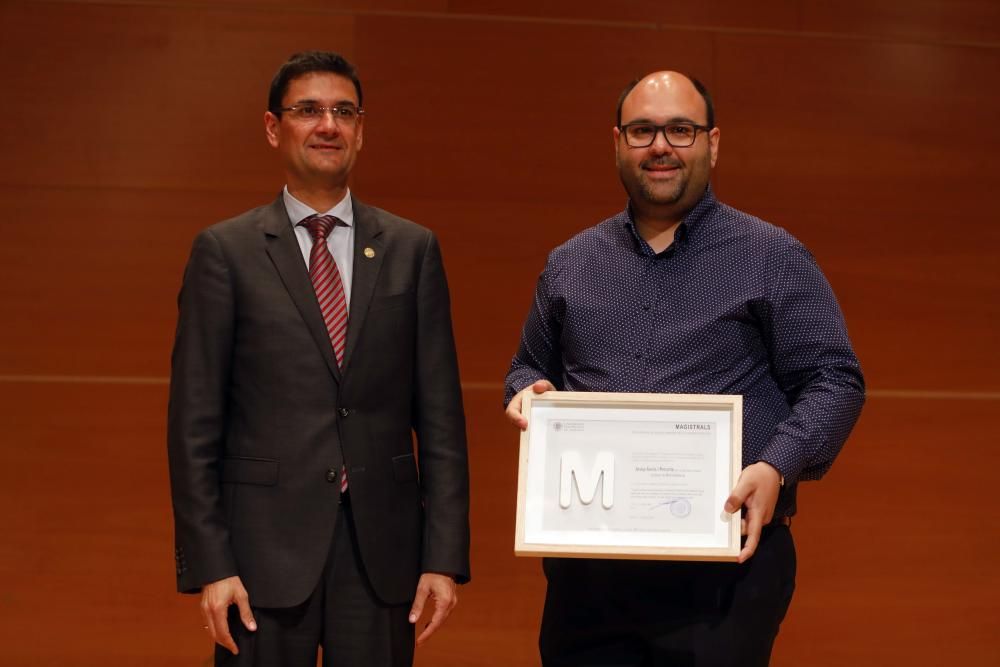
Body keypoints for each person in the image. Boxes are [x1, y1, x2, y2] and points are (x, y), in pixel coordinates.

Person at [504, 71, 864, 666]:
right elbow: (527, 367)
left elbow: (835, 379)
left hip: (724, 573)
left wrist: (778, 465)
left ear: (712, 143)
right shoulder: (570, 263)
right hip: (590, 573)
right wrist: (525, 392)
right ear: (618, 144)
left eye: (681, 129)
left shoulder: (772, 256)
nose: (661, 146)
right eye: (643, 131)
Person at [167, 51, 470, 667]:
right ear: (274, 128)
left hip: (382, 556)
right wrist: (211, 564)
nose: (327, 124)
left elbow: (441, 421)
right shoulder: (225, 252)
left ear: (361, 129)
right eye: (308, 110)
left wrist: (443, 555)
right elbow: (193, 425)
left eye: (343, 111)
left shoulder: (412, 250)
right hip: (259, 559)